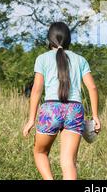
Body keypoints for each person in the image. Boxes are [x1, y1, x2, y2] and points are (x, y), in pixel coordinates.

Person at [22, 22, 101, 180]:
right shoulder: (80, 59)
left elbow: (36, 90)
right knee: (68, 162)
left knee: (40, 152)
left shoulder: (42, 59)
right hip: (75, 110)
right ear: (69, 40)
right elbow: (92, 87)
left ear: (49, 40)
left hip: (51, 110)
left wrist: (31, 119)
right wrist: (95, 116)